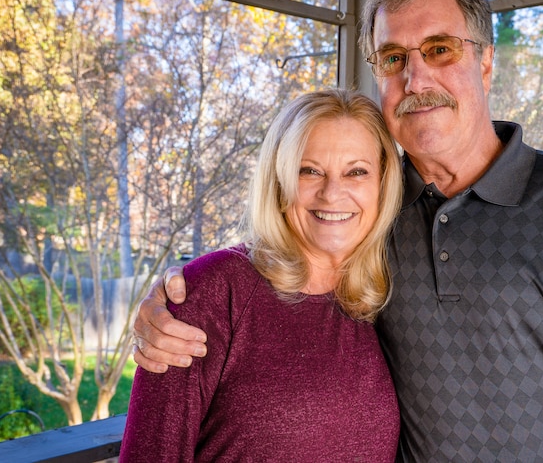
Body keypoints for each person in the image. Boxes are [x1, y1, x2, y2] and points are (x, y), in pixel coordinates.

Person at [132, 0, 543, 461]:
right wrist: (172, 303)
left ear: (484, 59)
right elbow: (290, 249)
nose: (416, 79)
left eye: (439, 50)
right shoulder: (374, 212)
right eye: (394, 58)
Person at [119, 89, 404, 462]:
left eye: (357, 172)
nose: (333, 193)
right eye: (309, 170)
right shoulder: (212, 292)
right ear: (280, 181)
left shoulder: (384, 294)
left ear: (382, 184)